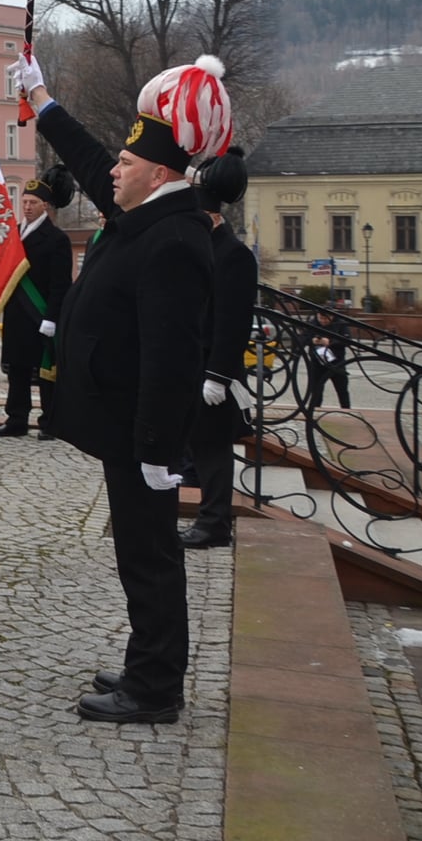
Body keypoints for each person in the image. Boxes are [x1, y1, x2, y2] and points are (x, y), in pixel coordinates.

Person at [13, 51, 226, 724]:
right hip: (127, 428)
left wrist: (160, 452)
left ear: (159, 172)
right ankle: (146, 660)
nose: (113, 171)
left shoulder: (173, 238)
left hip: (145, 437)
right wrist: (42, 99)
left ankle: (156, 685)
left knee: (150, 555)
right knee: (137, 551)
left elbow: (172, 358)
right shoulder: (149, 209)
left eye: (127, 166)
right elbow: (88, 156)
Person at [180, 148, 257, 550]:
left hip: (215, 372)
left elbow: (233, 322)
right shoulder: (204, 250)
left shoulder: (234, 255)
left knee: (213, 453)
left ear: (212, 217)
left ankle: (215, 524)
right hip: (195, 366)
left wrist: (219, 375)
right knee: (199, 449)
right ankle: (210, 520)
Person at [0, 167, 76, 439]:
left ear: (45, 206)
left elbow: (60, 283)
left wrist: (52, 317)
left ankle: (50, 421)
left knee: (45, 373)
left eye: (33, 203)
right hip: (17, 313)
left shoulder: (57, 239)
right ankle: (16, 418)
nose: (27, 207)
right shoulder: (14, 235)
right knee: (17, 369)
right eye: (25, 202)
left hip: (41, 315)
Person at [304, 310, 354, 411]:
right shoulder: (312, 323)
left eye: (326, 318)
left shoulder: (340, 323)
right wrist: (312, 341)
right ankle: (314, 412)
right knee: (316, 391)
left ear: (331, 317)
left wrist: (330, 342)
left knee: (342, 390)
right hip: (317, 363)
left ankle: (346, 411)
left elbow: (346, 340)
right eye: (320, 318)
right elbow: (301, 339)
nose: (323, 321)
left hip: (337, 363)